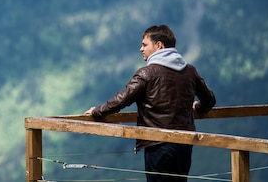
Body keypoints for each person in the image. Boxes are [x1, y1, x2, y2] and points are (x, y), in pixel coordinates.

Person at [84, 24, 216, 182]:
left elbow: (120, 100)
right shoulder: (190, 71)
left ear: (159, 45)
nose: (141, 49)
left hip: (157, 143)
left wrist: (97, 111)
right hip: (184, 143)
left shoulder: (147, 73)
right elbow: (209, 100)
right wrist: (198, 106)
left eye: (144, 44)